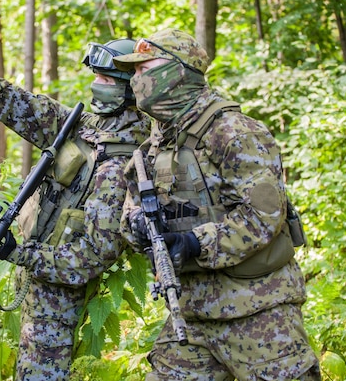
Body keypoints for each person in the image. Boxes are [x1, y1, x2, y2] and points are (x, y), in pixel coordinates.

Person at [0, 39, 150, 380]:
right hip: (38, 281)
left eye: (106, 80)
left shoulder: (125, 165)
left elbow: (91, 259)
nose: (97, 85)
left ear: (131, 88)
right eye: (95, 77)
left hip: (59, 299)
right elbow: (15, 102)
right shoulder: (84, 127)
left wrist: (19, 253)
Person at [112, 28, 321, 380]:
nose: (136, 80)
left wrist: (194, 243)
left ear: (177, 72)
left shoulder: (233, 132)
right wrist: (139, 228)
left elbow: (265, 216)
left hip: (257, 311)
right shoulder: (155, 144)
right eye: (133, 72)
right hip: (191, 318)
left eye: (143, 69)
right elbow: (130, 211)